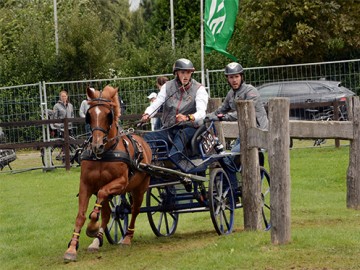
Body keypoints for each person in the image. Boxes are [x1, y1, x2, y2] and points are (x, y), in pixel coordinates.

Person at [206, 62, 269, 189]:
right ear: (227, 79)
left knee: (232, 155)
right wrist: (206, 117)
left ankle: (238, 187)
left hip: (258, 133)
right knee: (228, 159)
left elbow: (243, 113)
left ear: (241, 77)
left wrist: (223, 117)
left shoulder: (251, 91)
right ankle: (235, 186)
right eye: (231, 77)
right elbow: (221, 110)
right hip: (244, 134)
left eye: (236, 76)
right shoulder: (231, 94)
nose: (234, 80)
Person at [141, 58, 209, 163]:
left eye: (188, 72)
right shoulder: (166, 87)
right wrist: (147, 114)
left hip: (190, 128)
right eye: (182, 72)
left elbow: (201, 113)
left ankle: (173, 163)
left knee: (179, 139)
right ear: (176, 73)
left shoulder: (199, 89)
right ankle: (150, 163)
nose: (186, 76)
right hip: (169, 128)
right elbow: (156, 104)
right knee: (148, 137)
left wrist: (187, 117)